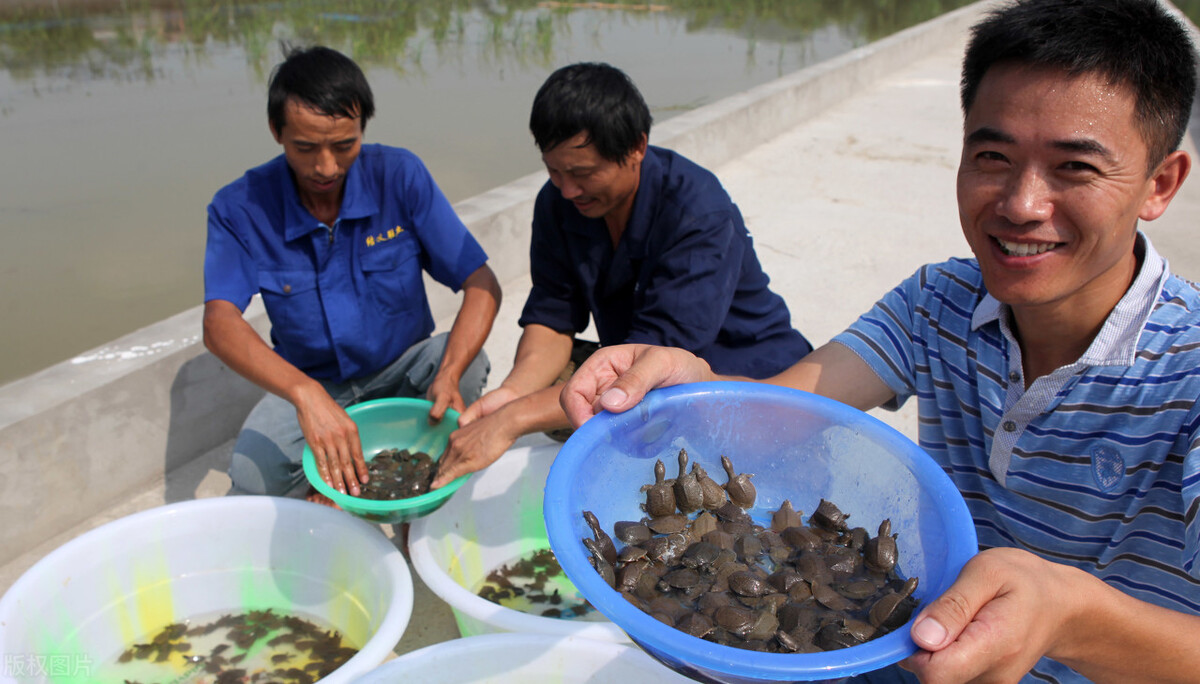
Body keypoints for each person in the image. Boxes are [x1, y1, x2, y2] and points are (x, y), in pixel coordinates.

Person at [561, 1, 1200, 682]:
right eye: (993, 156)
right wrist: (693, 388)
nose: (1021, 204)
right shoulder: (940, 301)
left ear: (1160, 185)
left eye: (1074, 168)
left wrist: (1070, 615)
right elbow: (786, 409)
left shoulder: (1187, 375)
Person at [431, 62, 812, 488]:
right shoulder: (558, 203)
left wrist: (512, 421)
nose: (567, 189)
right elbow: (553, 318)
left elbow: (660, 362)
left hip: (733, 368)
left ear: (636, 148)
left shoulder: (698, 211)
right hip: (636, 360)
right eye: (554, 171)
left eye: (582, 173)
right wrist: (511, 394)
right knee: (560, 389)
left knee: (724, 485)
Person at [204, 45, 501, 501]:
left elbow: (481, 285)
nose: (326, 167)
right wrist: (304, 393)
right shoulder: (239, 206)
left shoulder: (399, 176)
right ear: (276, 132)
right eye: (305, 148)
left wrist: (449, 371)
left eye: (344, 146)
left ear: (363, 128)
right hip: (312, 380)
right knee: (252, 476)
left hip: (403, 367)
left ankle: (401, 463)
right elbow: (219, 323)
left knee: (465, 364)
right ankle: (328, 473)